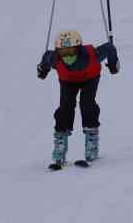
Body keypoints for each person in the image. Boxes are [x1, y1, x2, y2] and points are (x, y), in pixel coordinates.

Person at [36, 30, 119, 169]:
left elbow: (110, 48)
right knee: (65, 107)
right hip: (68, 81)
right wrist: (42, 70)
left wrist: (113, 64)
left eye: (71, 51)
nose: (67, 56)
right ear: (58, 52)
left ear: (79, 49)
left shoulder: (92, 55)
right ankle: (60, 146)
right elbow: (46, 57)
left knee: (87, 104)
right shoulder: (55, 58)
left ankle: (91, 144)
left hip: (90, 79)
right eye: (63, 52)